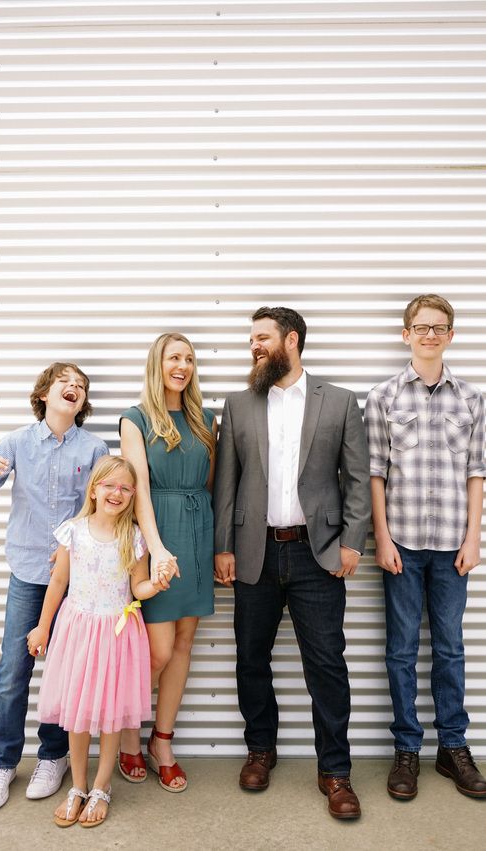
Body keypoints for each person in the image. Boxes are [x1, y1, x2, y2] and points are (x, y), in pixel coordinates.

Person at [213, 306, 371, 820]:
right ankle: (260, 749)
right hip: (253, 551)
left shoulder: (339, 401)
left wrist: (353, 542)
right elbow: (227, 483)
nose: (254, 346)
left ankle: (336, 770)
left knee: (326, 664)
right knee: (250, 658)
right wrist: (223, 546)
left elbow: (357, 479)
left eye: (262, 337)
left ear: (292, 340)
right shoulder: (239, 404)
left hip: (316, 554)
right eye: (251, 339)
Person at [364, 294, 486, 801]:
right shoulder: (384, 397)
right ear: (406, 334)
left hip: (453, 546)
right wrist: (382, 537)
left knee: (450, 648)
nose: (430, 335)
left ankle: (453, 747)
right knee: (400, 650)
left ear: (451, 335)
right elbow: (374, 473)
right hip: (403, 544)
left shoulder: (472, 399)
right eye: (421, 327)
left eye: (439, 328)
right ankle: (407, 750)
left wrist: (473, 537)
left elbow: (477, 472)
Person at [26, 455, 176, 827]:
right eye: (109, 485)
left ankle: (101, 786)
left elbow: (137, 587)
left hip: (117, 635)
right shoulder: (73, 532)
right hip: (77, 631)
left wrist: (156, 584)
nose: (117, 493)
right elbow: (58, 582)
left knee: (110, 716)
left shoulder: (134, 537)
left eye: (125, 488)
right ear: (94, 490)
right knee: (77, 714)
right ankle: (78, 786)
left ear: (133, 495)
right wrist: (42, 627)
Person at [0, 363, 108, 812]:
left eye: (81, 385)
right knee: (12, 672)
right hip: (27, 572)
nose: (74, 388)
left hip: (76, 580)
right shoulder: (15, 442)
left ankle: (53, 756)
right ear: (44, 394)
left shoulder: (94, 448)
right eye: (64, 382)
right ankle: (2, 763)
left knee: (64, 672)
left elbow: (100, 509)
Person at [118, 333, 217, 790]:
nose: (183, 366)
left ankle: (162, 741)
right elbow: (137, 488)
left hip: (197, 531)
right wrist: (156, 548)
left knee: (182, 645)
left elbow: (211, 484)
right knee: (156, 650)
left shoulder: (205, 420)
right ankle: (127, 737)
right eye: (174, 357)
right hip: (156, 530)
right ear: (157, 364)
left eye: (189, 359)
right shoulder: (135, 419)